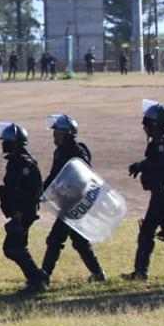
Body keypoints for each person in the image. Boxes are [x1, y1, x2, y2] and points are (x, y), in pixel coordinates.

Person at [39, 115, 106, 283]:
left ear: (68, 135)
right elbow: (54, 176)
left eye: (58, 134)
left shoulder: (78, 152)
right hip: (66, 203)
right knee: (79, 240)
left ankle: (43, 277)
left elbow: (85, 178)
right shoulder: (59, 152)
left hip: (76, 203)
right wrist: (41, 190)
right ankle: (98, 274)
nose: (55, 137)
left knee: (55, 239)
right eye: (54, 133)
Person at [0, 123, 46, 293]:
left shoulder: (25, 164)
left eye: (7, 141)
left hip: (24, 212)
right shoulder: (15, 161)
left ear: (16, 143)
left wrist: (21, 212)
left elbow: (32, 192)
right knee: (17, 247)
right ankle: (36, 278)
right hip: (19, 212)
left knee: (13, 248)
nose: (4, 144)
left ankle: (37, 278)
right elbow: (13, 187)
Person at [124, 101, 164, 280]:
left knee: (159, 234)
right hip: (160, 196)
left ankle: (140, 273)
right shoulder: (161, 141)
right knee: (146, 233)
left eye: (148, 122)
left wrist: (143, 165)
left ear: (156, 124)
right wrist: (141, 165)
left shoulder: (162, 142)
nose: (144, 126)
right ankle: (140, 273)